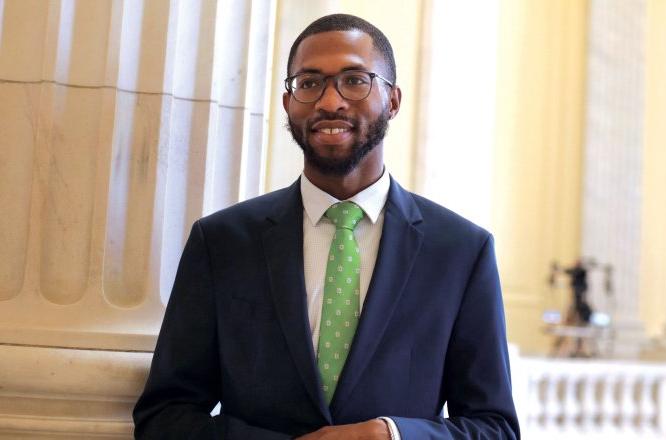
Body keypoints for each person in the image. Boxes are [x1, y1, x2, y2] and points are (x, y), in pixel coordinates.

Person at [133, 13, 518, 440]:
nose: (329, 101)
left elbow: (495, 427)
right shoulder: (222, 241)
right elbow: (164, 416)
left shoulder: (461, 251)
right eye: (309, 82)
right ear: (288, 103)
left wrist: (390, 436)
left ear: (392, 100)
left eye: (354, 80)